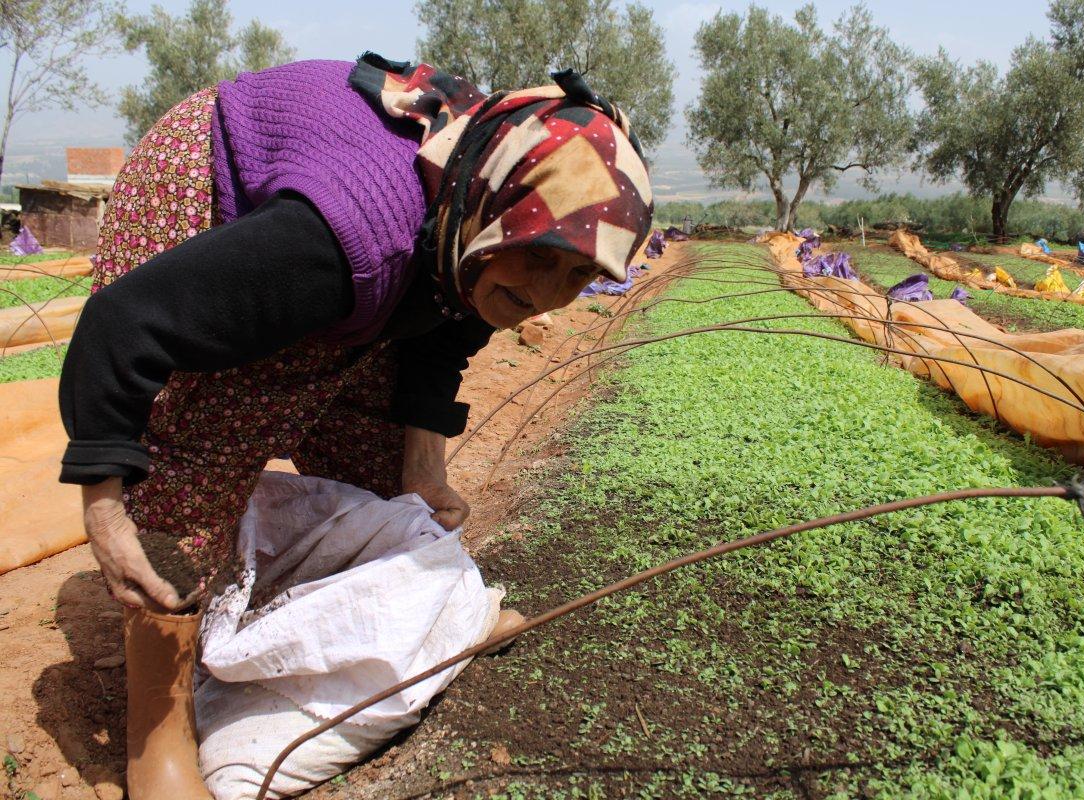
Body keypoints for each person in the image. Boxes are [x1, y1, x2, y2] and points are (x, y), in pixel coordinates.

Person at [58, 53, 653, 799]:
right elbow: (125, 324)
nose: (545, 295)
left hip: (354, 239)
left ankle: (381, 620)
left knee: (374, 447)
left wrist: (422, 466)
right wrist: (105, 501)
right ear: (498, 206)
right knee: (212, 427)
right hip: (207, 173)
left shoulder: (469, 220)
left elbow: (447, 326)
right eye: (538, 257)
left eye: (576, 276)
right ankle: (158, 738)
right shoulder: (341, 241)